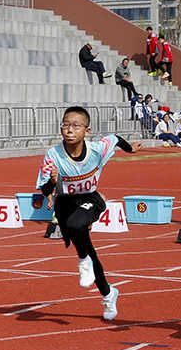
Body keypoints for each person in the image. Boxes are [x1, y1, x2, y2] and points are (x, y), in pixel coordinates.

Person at [35, 107, 140, 320]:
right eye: (65, 125)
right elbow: (44, 189)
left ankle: (83, 261)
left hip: (91, 199)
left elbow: (115, 139)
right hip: (65, 204)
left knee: (77, 227)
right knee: (90, 250)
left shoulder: (97, 150)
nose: (69, 130)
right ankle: (109, 294)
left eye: (76, 126)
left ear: (87, 130)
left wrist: (130, 149)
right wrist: (52, 182)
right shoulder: (53, 155)